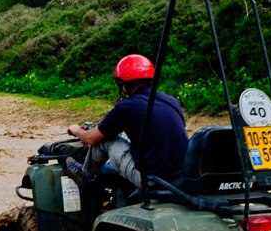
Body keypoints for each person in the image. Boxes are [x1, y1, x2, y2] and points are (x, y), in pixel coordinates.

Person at [64, 54, 189, 191]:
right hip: (179, 177)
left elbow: (90, 139)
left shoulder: (127, 106)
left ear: (124, 84)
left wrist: (76, 130)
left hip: (152, 180)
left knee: (107, 141)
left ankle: (84, 175)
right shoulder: (170, 100)